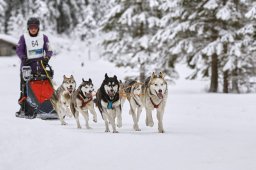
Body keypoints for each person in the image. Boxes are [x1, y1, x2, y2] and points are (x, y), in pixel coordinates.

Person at [16, 17, 53, 118]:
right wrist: (23, 57)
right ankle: (24, 108)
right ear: (28, 28)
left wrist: (47, 57)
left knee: (44, 86)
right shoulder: (23, 38)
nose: (33, 29)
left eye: (35, 27)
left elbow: (49, 49)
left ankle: (47, 106)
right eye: (31, 27)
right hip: (27, 66)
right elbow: (19, 50)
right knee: (24, 88)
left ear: (38, 28)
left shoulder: (44, 37)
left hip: (41, 66)